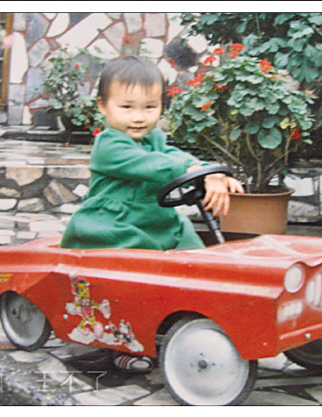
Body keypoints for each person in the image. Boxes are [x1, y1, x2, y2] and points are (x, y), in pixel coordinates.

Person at [60, 56, 244, 371]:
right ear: (103, 106)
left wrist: (210, 172)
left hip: (155, 220)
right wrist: (193, 168)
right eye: (127, 107)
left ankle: (198, 311)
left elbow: (174, 155)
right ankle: (123, 342)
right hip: (114, 225)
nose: (139, 117)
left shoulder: (155, 139)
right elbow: (155, 165)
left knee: (191, 246)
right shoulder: (108, 145)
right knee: (135, 276)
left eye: (150, 107)